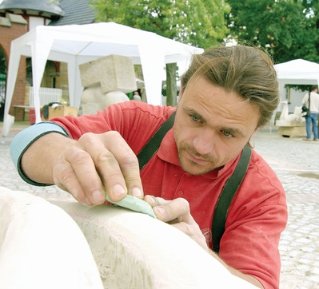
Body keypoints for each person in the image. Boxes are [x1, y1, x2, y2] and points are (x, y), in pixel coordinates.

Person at [10, 45, 287, 289]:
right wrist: (65, 157)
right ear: (180, 94)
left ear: (255, 131)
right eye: (194, 117)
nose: (202, 145)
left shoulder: (261, 193)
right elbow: (27, 141)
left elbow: (256, 283)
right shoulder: (134, 121)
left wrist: (202, 257)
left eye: (227, 133)